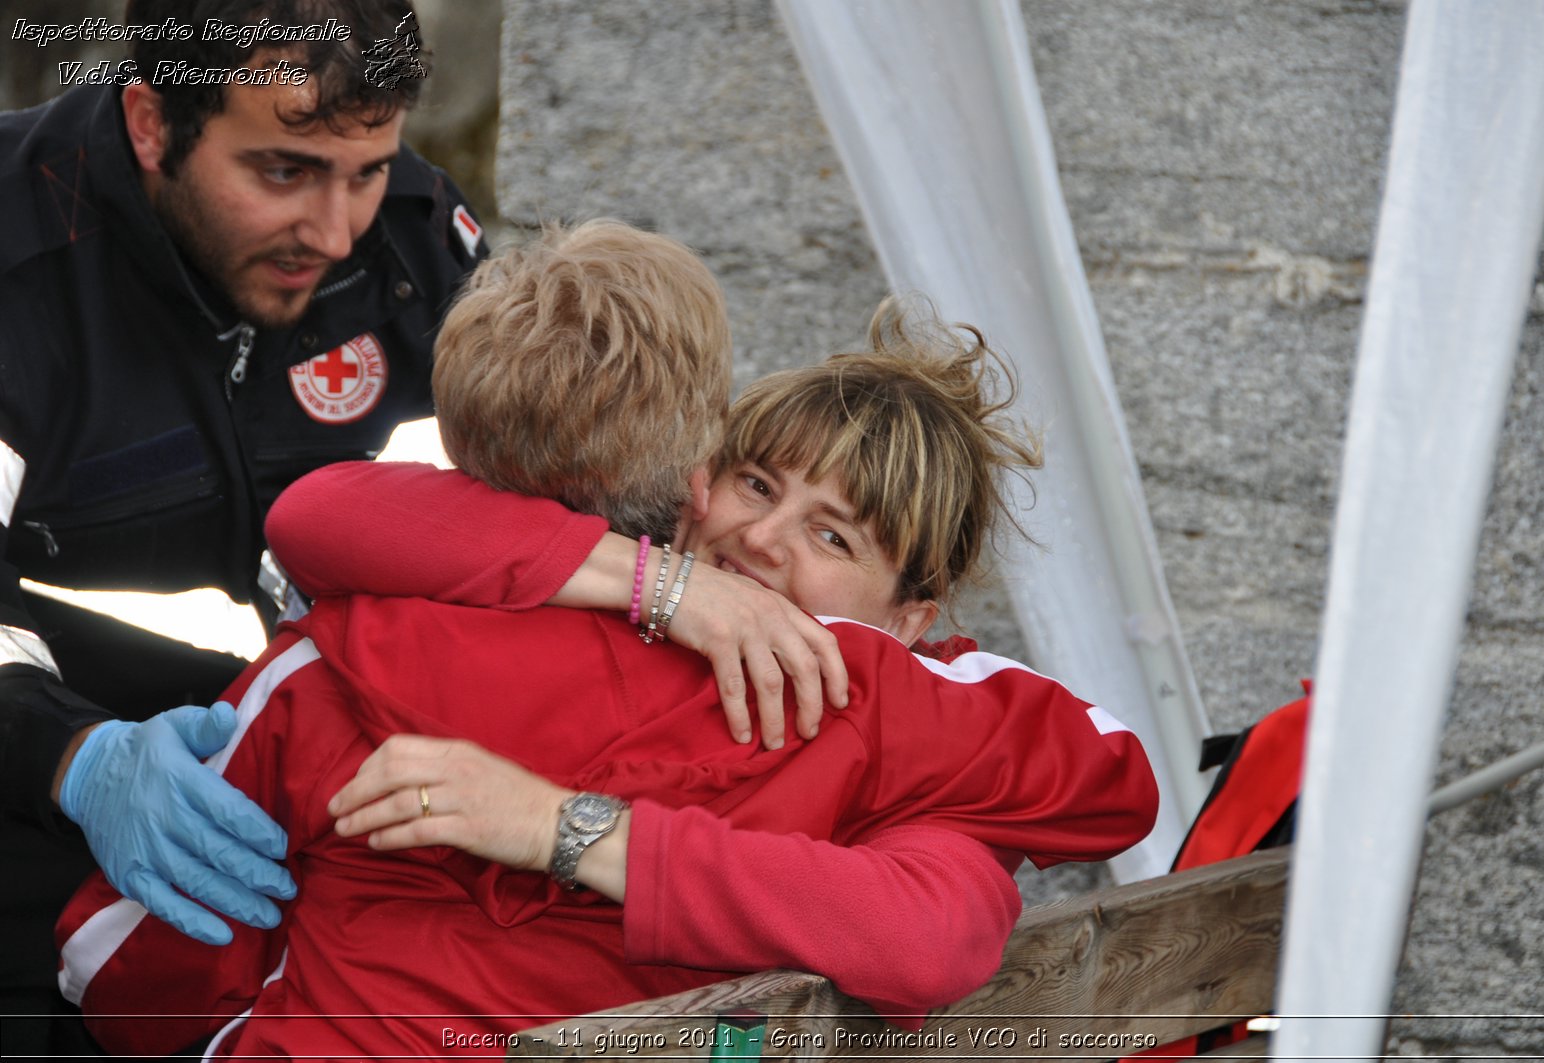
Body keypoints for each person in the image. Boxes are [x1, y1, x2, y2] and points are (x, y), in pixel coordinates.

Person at [56, 221, 1157, 1059]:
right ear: (693, 483)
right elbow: (323, 514)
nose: (764, 542)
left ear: (915, 618)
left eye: (832, 533)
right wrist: (667, 587)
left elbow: (125, 958)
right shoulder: (899, 722)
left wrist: (564, 830)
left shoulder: (895, 731)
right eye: (756, 483)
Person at [0, 0, 490, 1049]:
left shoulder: (412, 244)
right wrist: (73, 753)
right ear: (150, 121)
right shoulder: (15, 268)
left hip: (340, 828)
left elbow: (522, 506)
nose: (334, 230)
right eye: (283, 171)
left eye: (364, 170)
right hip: (37, 823)